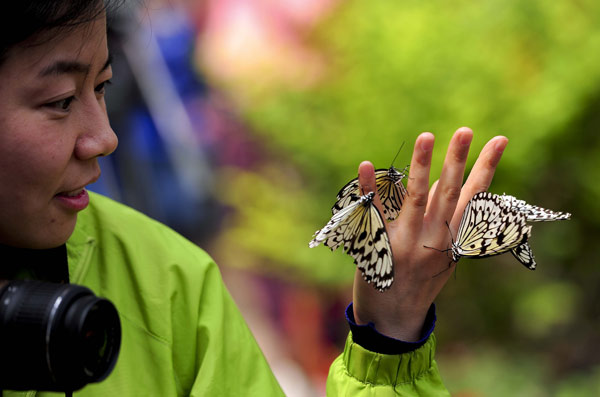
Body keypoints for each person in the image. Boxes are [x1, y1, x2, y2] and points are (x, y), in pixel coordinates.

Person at [0, 1, 508, 395]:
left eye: (104, 87)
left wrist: (390, 337)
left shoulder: (169, 281)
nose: (104, 137)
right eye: (60, 101)